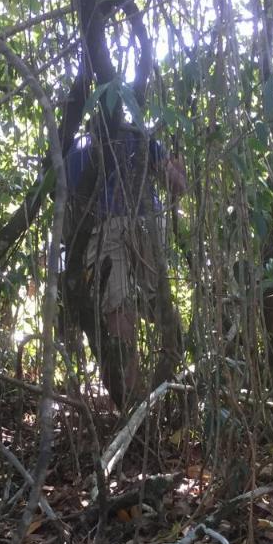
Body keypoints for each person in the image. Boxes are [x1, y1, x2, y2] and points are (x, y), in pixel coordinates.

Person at [64, 118, 187, 407]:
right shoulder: (134, 140)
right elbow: (178, 186)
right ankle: (142, 397)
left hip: (120, 226)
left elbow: (68, 210)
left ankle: (138, 398)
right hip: (125, 226)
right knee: (130, 306)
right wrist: (174, 165)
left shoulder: (82, 151)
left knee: (122, 307)